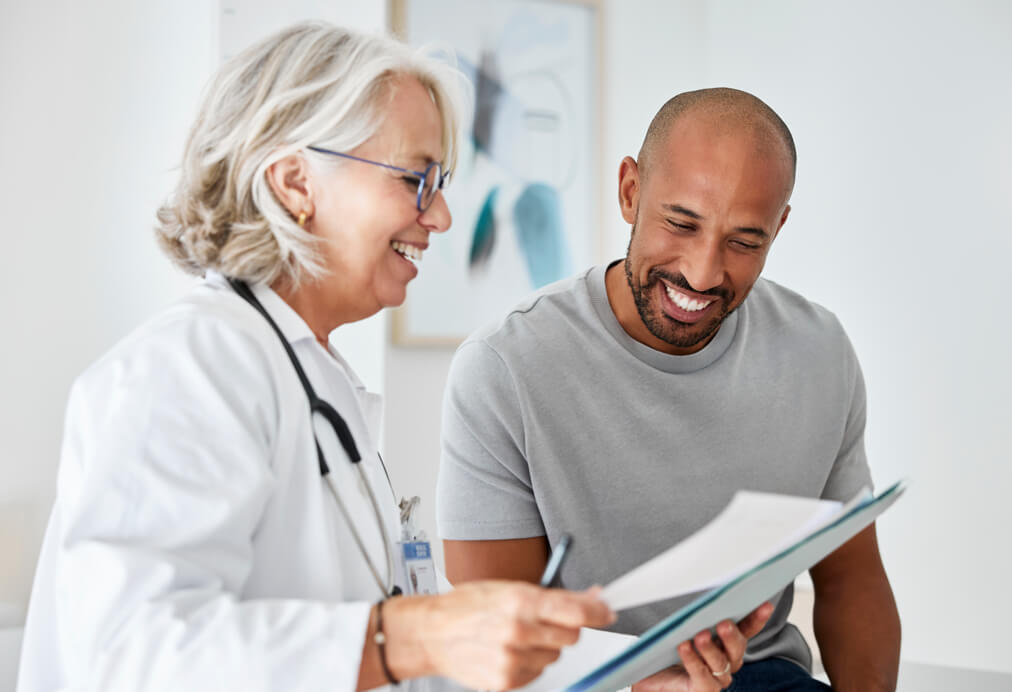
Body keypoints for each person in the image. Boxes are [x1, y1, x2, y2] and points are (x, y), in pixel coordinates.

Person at [16, 23, 622, 692]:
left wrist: (619, 677)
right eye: (417, 179)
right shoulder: (184, 368)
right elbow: (134, 656)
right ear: (296, 183)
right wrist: (413, 634)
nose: (442, 216)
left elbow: (393, 665)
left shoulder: (313, 377)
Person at [437, 88, 901, 691]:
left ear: (779, 226)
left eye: (744, 241)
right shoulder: (503, 369)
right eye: (681, 223)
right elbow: (491, 638)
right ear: (631, 192)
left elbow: (852, 580)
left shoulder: (819, 352)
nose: (703, 273)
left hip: (761, 676)